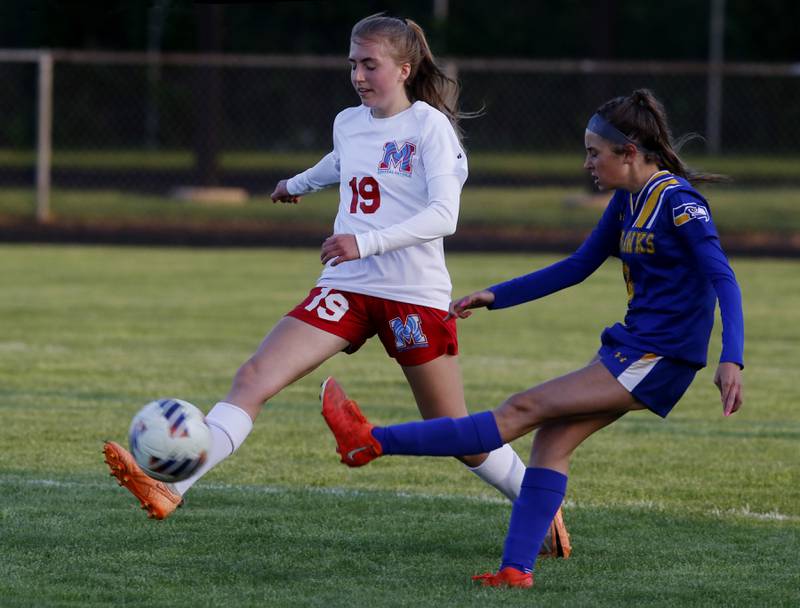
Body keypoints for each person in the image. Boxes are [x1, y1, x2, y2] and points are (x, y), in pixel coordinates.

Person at [101, 13, 570, 552]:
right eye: (353, 64)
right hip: (345, 286)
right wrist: (296, 183)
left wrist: (362, 241)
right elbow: (344, 162)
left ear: (404, 67)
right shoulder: (350, 121)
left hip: (411, 296)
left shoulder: (428, 127)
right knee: (254, 377)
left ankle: (538, 502)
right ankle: (171, 484)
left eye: (370, 64)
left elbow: (445, 215)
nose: (359, 75)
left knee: (456, 433)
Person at [321, 88, 744, 589]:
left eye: (594, 152)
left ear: (629, 152)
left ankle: (371, 441)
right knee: (550, 442)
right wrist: (498, 295)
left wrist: (731, 357)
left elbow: (724, 278)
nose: (586, 162)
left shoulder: (678, 202)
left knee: (520, 410)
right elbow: (578, 266)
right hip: (632, 346)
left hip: (659, 355)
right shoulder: (629, 200)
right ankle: (516, 571)